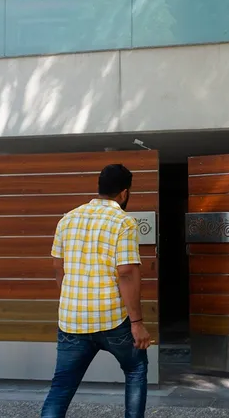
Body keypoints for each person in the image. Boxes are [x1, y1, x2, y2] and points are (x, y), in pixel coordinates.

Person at [41, 163, 152, 418]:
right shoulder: (123, 222)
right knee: (136, 368)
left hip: (72, 321)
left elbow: (58, 267)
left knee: (60, 388)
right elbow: (126, 272)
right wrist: (137, 322)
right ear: (124, 193)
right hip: (112, 319)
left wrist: (71, 298)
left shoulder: (67, 219)